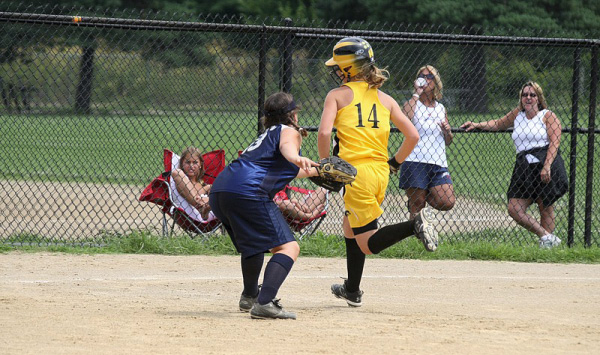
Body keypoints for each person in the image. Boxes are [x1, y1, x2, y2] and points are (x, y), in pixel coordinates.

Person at [317, 37, 439, 308]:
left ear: (348, 69)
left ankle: (414, 225)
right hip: (380, 173)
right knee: (350, 226)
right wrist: (394, 163)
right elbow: (413, 136)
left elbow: (325, 132)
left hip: (354, 174)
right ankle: (352, 289)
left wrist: (325, 164)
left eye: (338, 66)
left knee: (367, 243)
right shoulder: (386, 99)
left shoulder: (336, 95)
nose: (336, 71)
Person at [209, 92, 319, 320]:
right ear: (291, 115)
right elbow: (289, 149)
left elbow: (284, 170)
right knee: (289, 248)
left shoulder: (267, 135)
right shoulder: (289, 131)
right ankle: (265, 302)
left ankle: (250, 295)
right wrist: (297, 157)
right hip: (249, 192)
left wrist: (318, 169)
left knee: (253, 244)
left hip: (221, 189)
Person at [461, 81, 568, 248]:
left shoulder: (547, 115)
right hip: (524, 166)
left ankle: (548, 249)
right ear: (521, 98)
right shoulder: (518, 114)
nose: (528, 98)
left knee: (545, 206)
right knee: (514, 208)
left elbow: (555, 142)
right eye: (525, 95)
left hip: (545, 161)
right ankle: (547, 237)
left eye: (532, 95)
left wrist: (547, 166)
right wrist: (477, 124)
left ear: (538, 98)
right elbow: (497, 124)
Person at [399, 65, 455, 219]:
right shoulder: (412, 104)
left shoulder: (441, 108)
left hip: (438, 162)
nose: (426, 80)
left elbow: (448, 141)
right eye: (422, 77)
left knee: (447, 201)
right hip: (415, 160)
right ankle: (416, 236)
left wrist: (447, 132)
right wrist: (416, 94)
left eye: (430, 77)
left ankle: (421, 194)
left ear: (436, 82)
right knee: (418, 205)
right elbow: (404, 120)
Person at [171, 146, 214, 222]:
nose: (191, 166)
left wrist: (208, 188)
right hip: (189, 216)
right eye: (188, 162)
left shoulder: (203, 184)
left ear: (200, 165)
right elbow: (192, 192)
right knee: (176, 172)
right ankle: (200, 207)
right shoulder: (180, 180)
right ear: (182, 164)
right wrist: (206, 189)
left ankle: (204, 209)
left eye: (195, 162)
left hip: (211, 216)